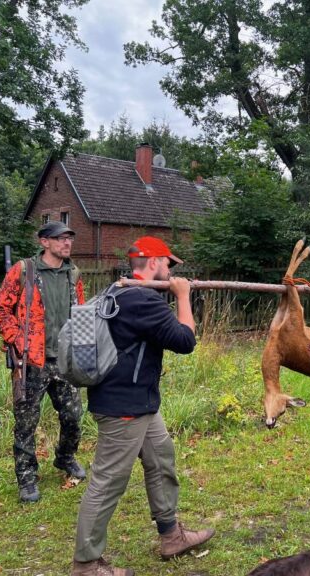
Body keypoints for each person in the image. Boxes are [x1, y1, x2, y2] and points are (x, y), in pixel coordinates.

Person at [71, 236, 214, 576]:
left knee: (161, 457)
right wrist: (183, 296)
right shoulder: (141, 300)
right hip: (124, 408)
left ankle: (171, 536)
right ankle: (87, 564)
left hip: (141, 403)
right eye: (167, 264)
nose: (170, 271)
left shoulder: (119, 293)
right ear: (152, 263)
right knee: (107, 482)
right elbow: (185, 341)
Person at [0, 221, 86, 503]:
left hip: (65, 361)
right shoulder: (24, 271)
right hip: (31, 362)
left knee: (73, 418)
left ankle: (65, 458)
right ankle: (27, 478)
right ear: (44, 242)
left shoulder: (74, 274)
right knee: (26, 424)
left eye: (69, 238)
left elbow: (80, 314)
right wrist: (17, 339)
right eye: (60, 239)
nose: (67, 243)